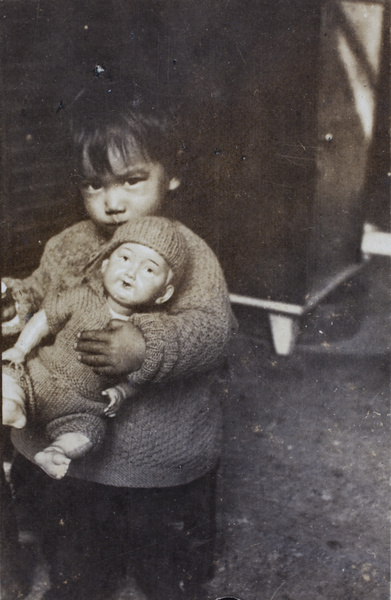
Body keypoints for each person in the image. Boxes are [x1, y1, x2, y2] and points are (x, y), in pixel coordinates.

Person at [3, 83, 236, 600]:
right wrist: (16, 305)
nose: (111, 203)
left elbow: (211, 331)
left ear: (171, 175)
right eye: (93, 186)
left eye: (132, 181)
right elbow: (43, 292)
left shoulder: (189, 255)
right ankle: (81, 572)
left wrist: (146, 347)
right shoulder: (71, 243)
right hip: (74, 433)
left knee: (163, 561)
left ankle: (165, 572)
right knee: (78, 548)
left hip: (157, 446)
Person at [3, 217, 188, 480]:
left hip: (81, 406)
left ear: (164, 294)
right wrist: (21, 348)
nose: (131, 272)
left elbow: (144, 375)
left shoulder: (148, 330)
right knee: (10, 372)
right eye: (125, 258)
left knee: (92, 432)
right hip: (40, 376)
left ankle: (55, 452)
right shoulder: (82, 297)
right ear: (104, 266)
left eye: (149, 270)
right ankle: (12, 404)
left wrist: (123, 391)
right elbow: (45, 318)